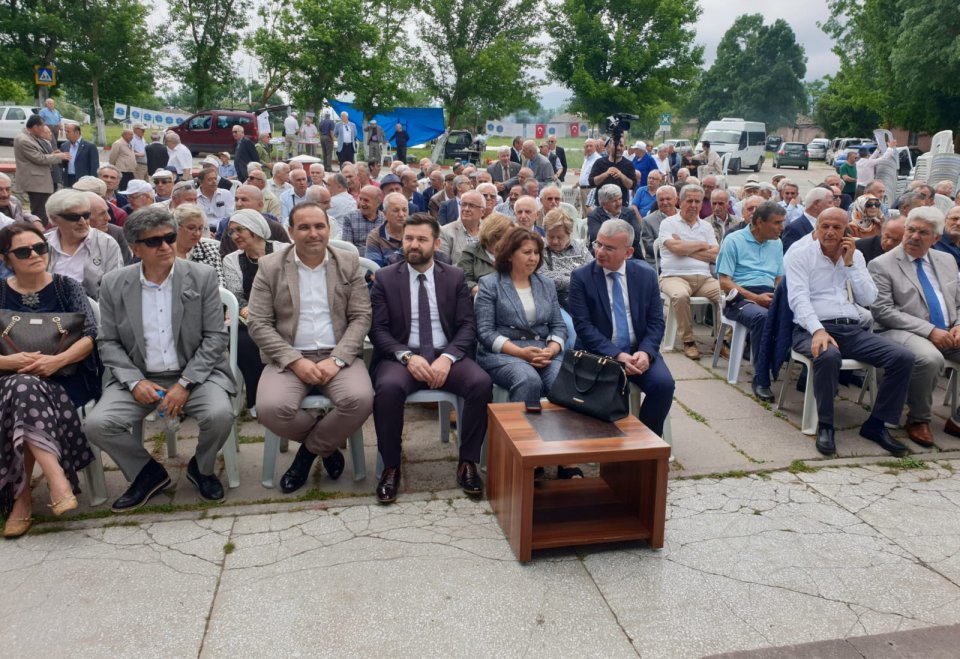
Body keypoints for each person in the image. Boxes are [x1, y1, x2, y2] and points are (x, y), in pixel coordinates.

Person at [83, 207, 237, 510]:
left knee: (220, 415)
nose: (166, 246)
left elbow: (215, 338)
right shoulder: (115, 282)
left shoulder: (201, 276)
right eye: (154, 242)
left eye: (169, 237)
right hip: (140, 375)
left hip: (196, 374)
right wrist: (134, 381)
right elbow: (108, 342)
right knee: (97, 424)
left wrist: (186, 383)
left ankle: (201, 468)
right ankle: (147, 472)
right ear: (135, 248)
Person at [246, 203, 374, 493]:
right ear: (291, 232)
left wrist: (339, 358)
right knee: (269, 409)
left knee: (361, 400)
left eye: (320, 226)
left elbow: (361, 316)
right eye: (304, 227)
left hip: (337, 354)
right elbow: (259, 324)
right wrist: (294, 361)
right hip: (289, 357)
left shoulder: (348, 261)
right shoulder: (270, 266)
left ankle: (306, 455)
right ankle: (328, 448)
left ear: (329, 229)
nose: (313, 233)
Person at [369, 213, 491, 503]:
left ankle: (467, 462)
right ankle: (391, 466)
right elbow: (377, 329)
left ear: (436, 243)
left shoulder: (454, 276)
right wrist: (407, 357)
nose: (413, 244)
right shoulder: (385, 278)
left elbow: (467, 325)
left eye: (421, 239)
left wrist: (447, 357)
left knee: (481, 383)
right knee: (387, 389)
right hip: (401, 355)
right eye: (408, 238)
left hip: (445, 354)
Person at [785, 206, 914, 456]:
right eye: (825, 226)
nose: (830, 232)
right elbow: (798, 301)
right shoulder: (799, 253)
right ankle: (825, 425)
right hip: (810, 328)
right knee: (828, 356)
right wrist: (818, 331)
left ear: (847, 229)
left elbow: (868, 298)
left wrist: (850, 264)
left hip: (851, 328)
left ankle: (876, 424)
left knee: (903, 358)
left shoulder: (855, 255)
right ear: (817, 227)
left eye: (837, 227)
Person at [0, 223, 99, 536]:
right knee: (23, 387)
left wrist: (58, 360)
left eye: (39, 248)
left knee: (23, 391)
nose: (34, 254)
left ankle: (22, 499)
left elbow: (91, 336)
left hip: (65, 379)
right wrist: (8, 361)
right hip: (6, 381)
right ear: (6, 259)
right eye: (23, 251)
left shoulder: (65, 287)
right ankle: (57, 479)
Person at [568, 219, 675, 437]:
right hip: (599, 354)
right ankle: (611, 448)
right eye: (598, 244)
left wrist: (645, 352)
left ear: (628, 252)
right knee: (611, 395)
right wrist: (617, 355)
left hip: (638, 351)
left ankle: (646, 443)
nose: (599, 252)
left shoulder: (645, 275)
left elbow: (656, 321)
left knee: (664, 385)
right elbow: (584, 327)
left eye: (609, 248)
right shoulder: (581, 277)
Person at [868, 207, 960, 446]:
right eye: (911, 230)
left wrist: (959, 324)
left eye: (923, 232)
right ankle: (918, 419)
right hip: (900, 331)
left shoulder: (947, 260)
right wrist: (930, 330)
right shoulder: (882, 264)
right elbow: (883, 311)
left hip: (948, 330)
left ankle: (957, 420)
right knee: (930, 359)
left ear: (936, 238)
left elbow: (958, 301)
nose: (915, 236)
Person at [474, 227, 567, 426]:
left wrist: (550, 350)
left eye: (536, 252)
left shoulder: (546, 284)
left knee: (562, 383)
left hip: (544, 352)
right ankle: (519, 447)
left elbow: (559, 326)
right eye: (526, 252)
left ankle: (559, 445)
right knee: (528, 380)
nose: (533, 258)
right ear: (509, 255)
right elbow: (485, 332)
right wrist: (521, 353)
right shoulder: (490, 284)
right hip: (503, 354)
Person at [716, 201, 786, 402]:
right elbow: (724, 282)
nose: (782, 228)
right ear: (758, 222)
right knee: (763, 318)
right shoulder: (734, 240)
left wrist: (782, 298)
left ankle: (800, 374)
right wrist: (755, 298)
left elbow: (779, 279)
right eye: (777, 223)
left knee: (800, 315)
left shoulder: (777, 243)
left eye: (783, 222)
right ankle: (761, 378)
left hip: (769, 294)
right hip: (739, 297)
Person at [219, 209, 286, 410]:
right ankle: (257, 398)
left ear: (255, 230)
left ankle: (284, 391)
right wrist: (247, 309)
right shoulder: (231, 260)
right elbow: (236, 295)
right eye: (232, 232)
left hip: (284, 311)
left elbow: (291, 286)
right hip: (250, 316)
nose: (235, 236)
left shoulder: (284, 250)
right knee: (242, 340)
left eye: (240, 230)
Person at [657, 184, 722, 359]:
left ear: (702, 203)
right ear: (680, 201)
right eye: (689, 201)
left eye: (697, 201)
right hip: (673, 276)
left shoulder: (706, 227)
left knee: (728, 294)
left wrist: (685, 247)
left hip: (704, 278)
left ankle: (722, 341)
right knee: (680, 296)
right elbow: (675, 248)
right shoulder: (668, 223)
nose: (693, 205)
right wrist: (702, 245)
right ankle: (688, 342)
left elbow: (715, 254)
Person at [44, 188, 123, 299]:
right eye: (74, 217)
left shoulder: (107, 244)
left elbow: (115, 288)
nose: (82, 222)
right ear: (54, 219)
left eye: (86, 215)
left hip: (93, 310)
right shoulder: (43, 243)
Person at [13, 115, 70, 224]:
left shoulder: (31, 137)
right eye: (42, 126)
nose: (44, 129)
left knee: (43, 211)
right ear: (35, 127)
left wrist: (52, 154)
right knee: (39, 213)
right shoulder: (23, 139)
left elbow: (40, 155)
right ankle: (39, 235)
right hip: (36, 182)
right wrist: (58, 156)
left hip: (41, 181)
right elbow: (39, 158)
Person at [541, 208, 594, 310]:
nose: (555, 241)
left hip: (585, 298)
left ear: (569, 233)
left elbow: (592, 272)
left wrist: (563, 275)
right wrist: (579, 279)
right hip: (556, 304)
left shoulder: (580, 248)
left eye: (560, 237)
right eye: (550, 237)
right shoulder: (540, 250)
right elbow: (545, 279)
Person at [458, 212, 513, 296]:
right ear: (491, 235)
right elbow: (463, 281)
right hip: (481, 299)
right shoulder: (471, 252)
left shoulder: (514, 252)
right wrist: (486, 291)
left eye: (510, 237)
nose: (508, 241)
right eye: (503, 237)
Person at [172, 203, 223, 285]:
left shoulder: (211, 250)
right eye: (191, 228)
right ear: (176, 227)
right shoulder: (163, 250)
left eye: (200, 228)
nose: (197, 233)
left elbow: (219, 285)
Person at [587, 184, 641, 254]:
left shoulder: (629, 213)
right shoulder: (594, 216)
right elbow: (598, 239)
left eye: (620, 199)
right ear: (604, 204)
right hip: (604, 254)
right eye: (614, 201)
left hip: (629, 255)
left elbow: (636, 237)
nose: (619, 203)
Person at [439, 189, 483, 265]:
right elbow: (443, 266)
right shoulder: (445, 232)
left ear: (483, 212)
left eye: (472, 205)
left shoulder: (490, 231)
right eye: (463, 204)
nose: (466, 209)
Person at [366, 191, 408, 267]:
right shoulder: (375, 237)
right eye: (396, 210)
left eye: (404, 210)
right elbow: (375, 270)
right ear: (385, 214)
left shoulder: (417, 232)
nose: (401, 215)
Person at [60, 123, 99, 187]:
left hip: (83, 180)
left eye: (68, 131)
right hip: (68, 179)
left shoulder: (89, 146)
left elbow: (94, 166)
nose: (66, 133)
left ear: (77, 132)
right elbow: (61, 165)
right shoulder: (64, 146)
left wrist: (93, 182)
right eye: (65, 131)